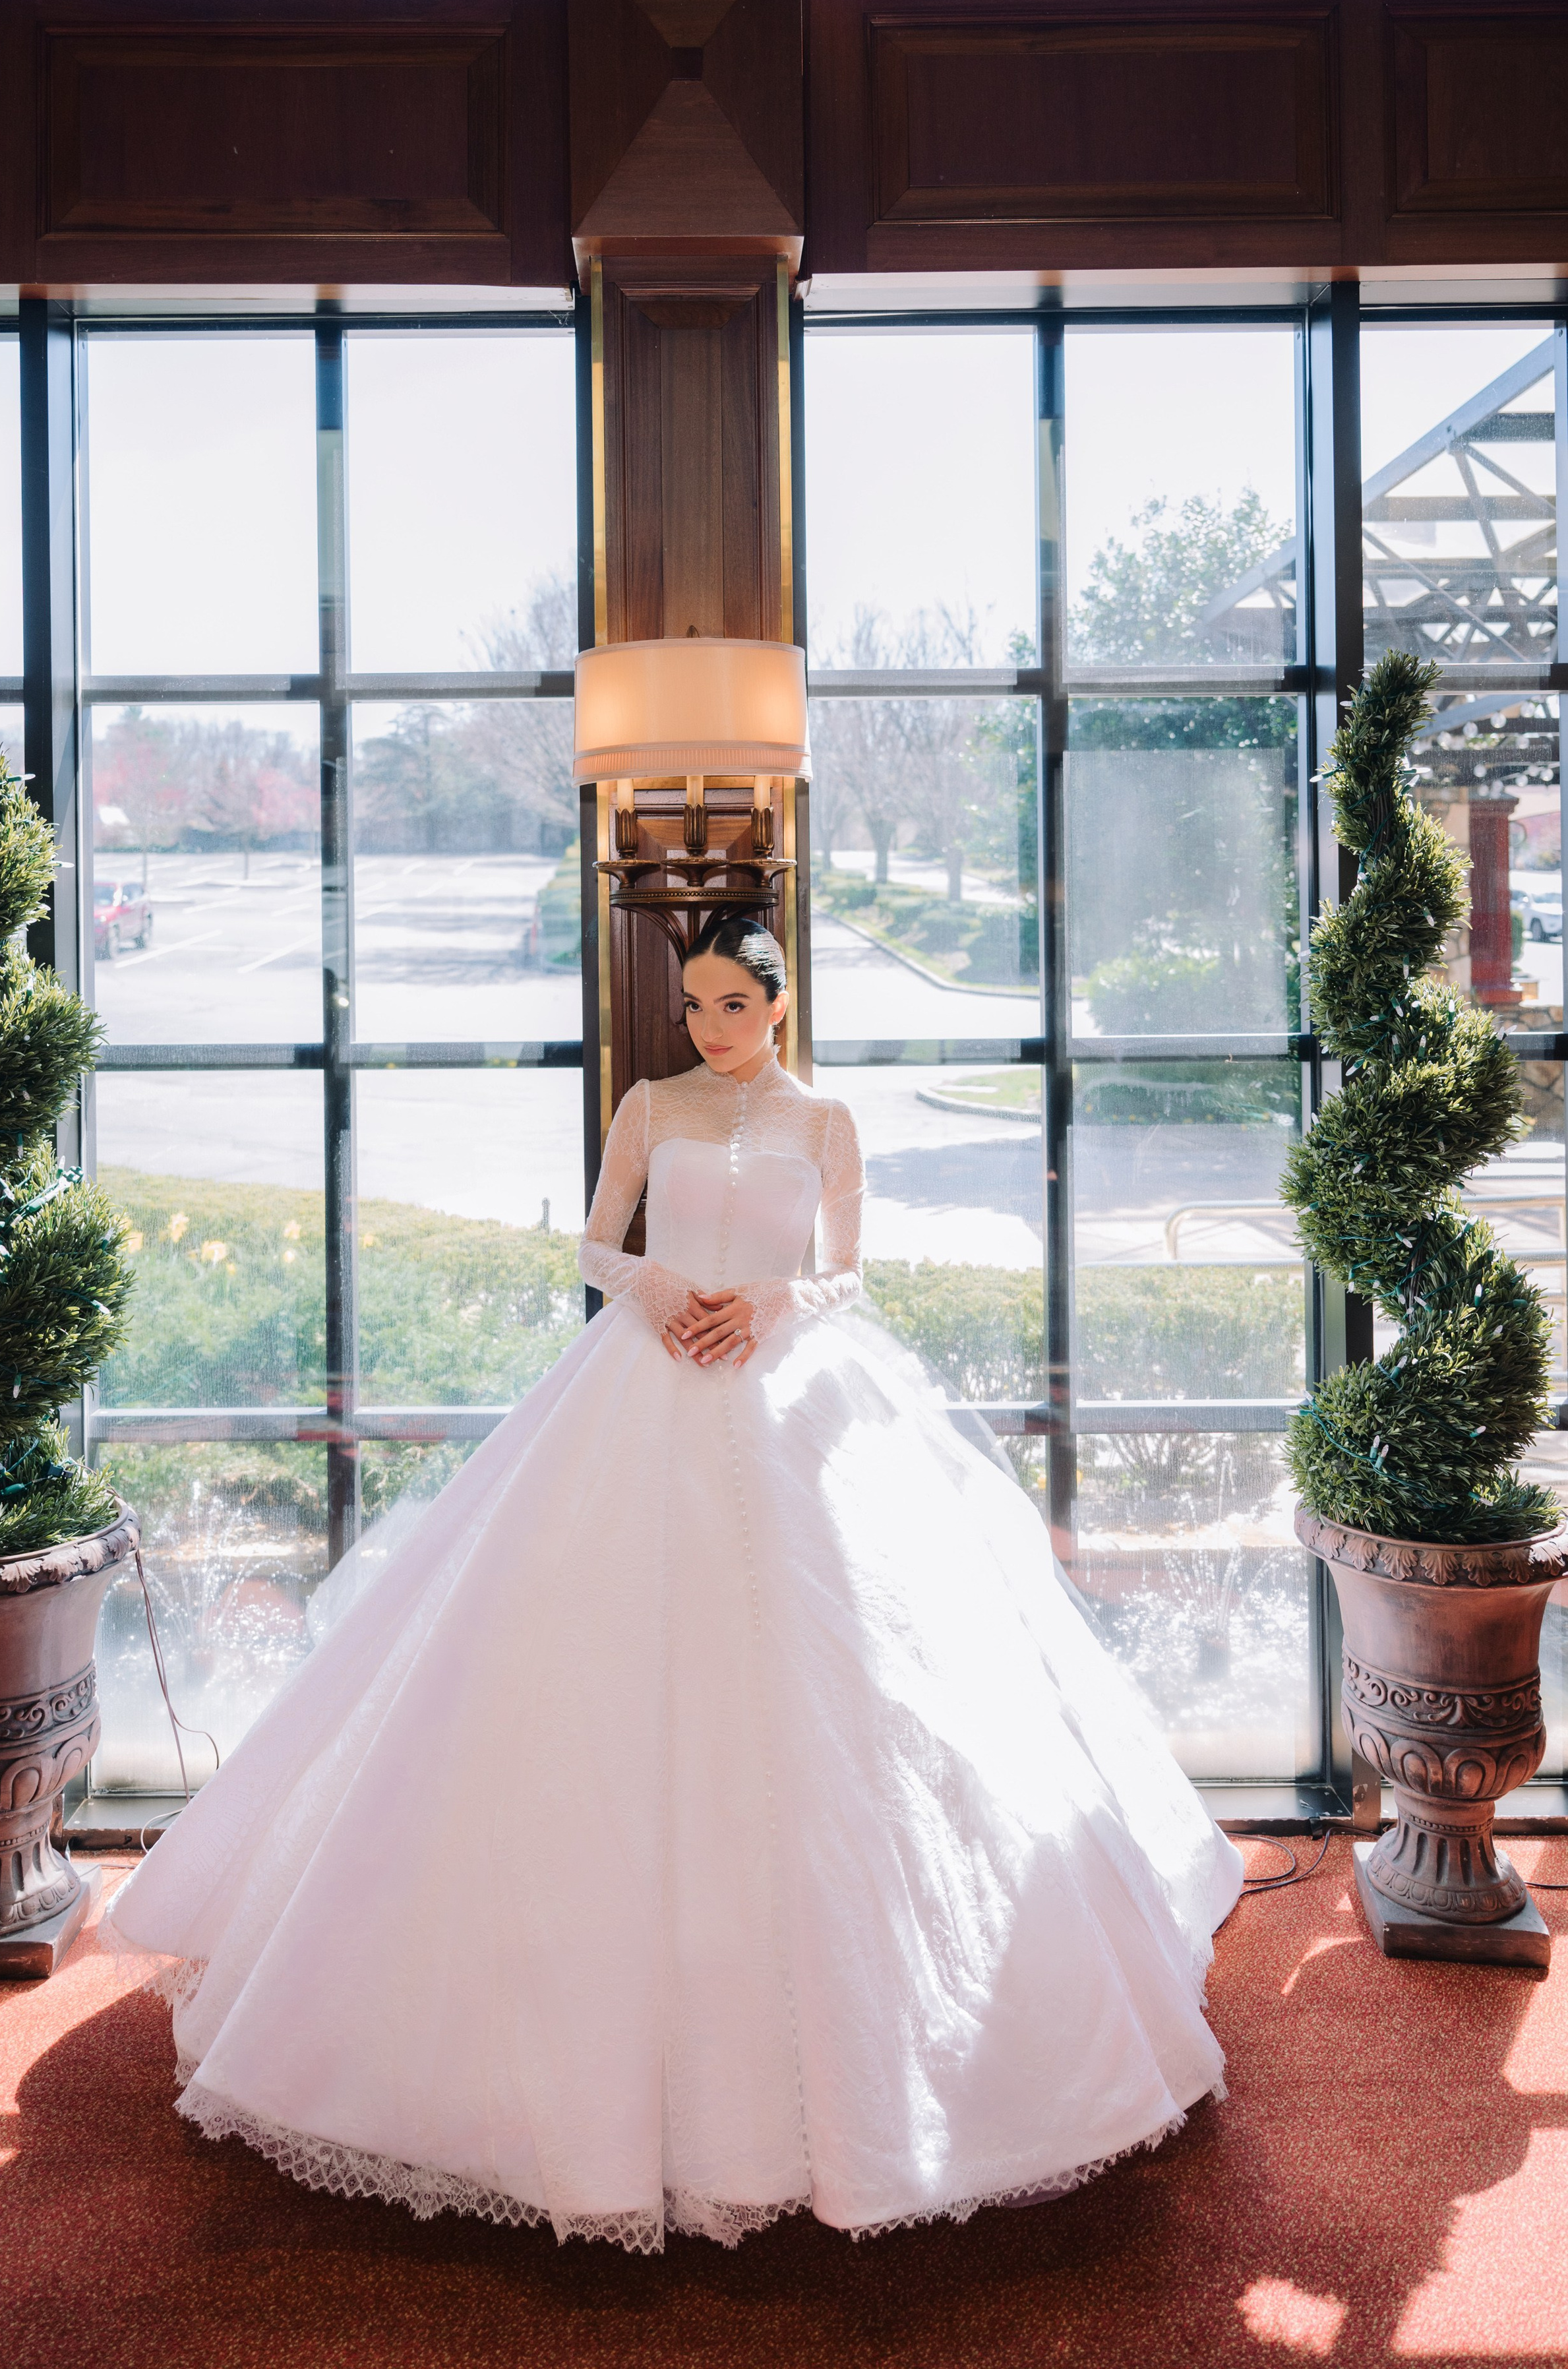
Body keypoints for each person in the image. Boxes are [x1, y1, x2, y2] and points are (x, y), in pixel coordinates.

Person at [105, 912, 1243, 2255]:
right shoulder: (647, 1104)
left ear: (777, 997)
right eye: (692, 1003)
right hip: (646, 1374)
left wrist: (769, 1307)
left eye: (729, 1002)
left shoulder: (827, 1120)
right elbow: (593, 1244)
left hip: (790, 1387)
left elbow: (845, 1274)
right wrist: (653, 1290)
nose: (708, 1025)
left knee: (859, 1688)